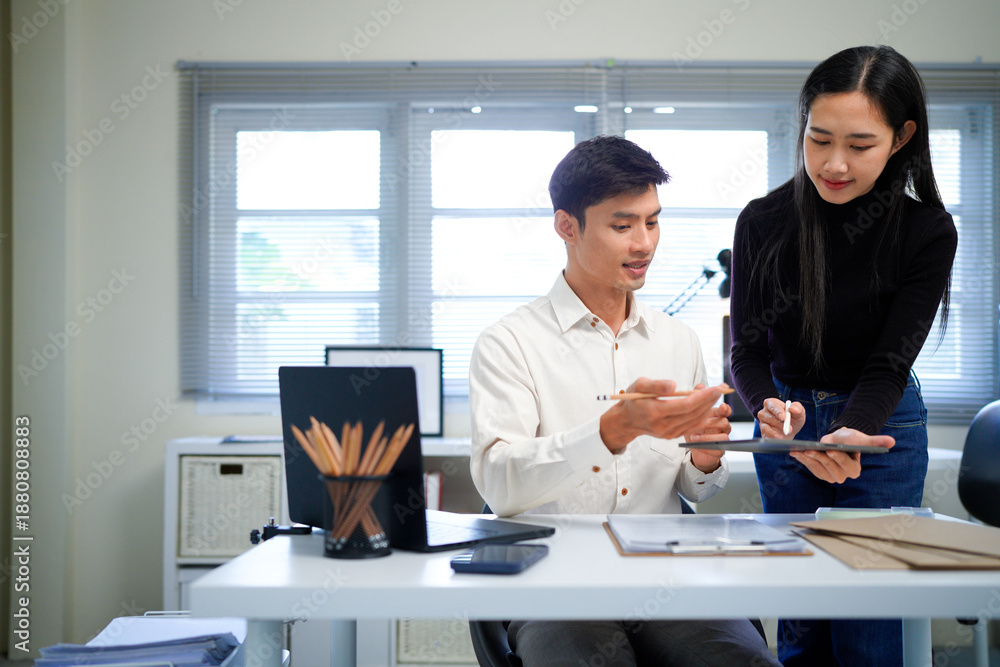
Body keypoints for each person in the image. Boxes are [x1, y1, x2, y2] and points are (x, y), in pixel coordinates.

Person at [469, 134, 782, 667]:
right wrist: (610, 432)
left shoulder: (677, 341)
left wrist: (705, 458)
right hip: (554, 583)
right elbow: (500, 485)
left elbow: (693, 486)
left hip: (667, 579)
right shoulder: (509, 343)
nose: (644, 244)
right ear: (567, 226)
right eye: (622, 226)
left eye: (652, 222)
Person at [729, 45, 956, 666]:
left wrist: (854, 429)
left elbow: (889, 363)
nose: (833, 163)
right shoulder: (762, 222)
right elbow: (746, 351)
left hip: (881, 430)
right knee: (802, 625)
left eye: (859, 145)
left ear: (901, 138)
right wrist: (769, 408)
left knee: (869, 631)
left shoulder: (927, 232)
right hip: (789, 426)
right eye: (819, 139)